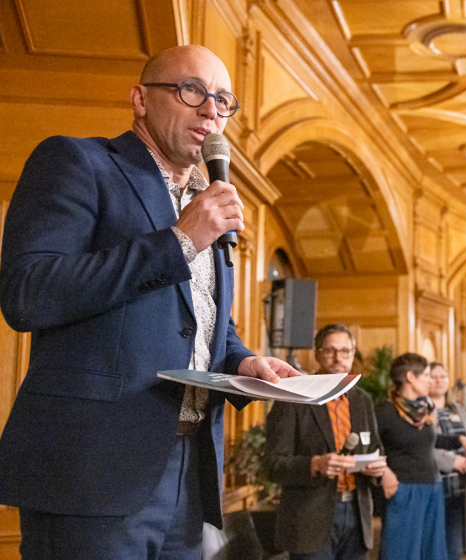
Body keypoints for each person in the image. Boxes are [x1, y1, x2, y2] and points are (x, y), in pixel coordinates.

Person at [0, 45, 300, 560]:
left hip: (189, 467)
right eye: (192, 91)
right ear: (140, 99)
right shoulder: (78, 161)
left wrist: (243, 360)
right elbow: (29, 292)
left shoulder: (203, 202)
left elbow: (203, 318)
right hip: (93, 471)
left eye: (223, 100)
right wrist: (180, 241)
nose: (211, 110)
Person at [265, 324, 388, 560]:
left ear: (353, 355)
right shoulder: (294, 397)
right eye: (330, 351)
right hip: (310, 519)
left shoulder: (363, 400)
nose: (338, 358)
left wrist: (377, 467)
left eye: (345, 351)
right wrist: (314, 464)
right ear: (317, 354)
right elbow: (272, 465)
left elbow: (375, 449)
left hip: (356, 516)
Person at [376, 353, 466, 560]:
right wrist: (384, 471)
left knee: (433, 554)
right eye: (426, 375)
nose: (431, 380)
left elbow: (428, 441)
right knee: (401, 554)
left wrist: (460, 440)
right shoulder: (385, 412)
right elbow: (368, 445)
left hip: (432, 488)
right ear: (410, 377)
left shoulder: (422, 410)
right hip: (404, 490)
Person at [429, 362, 466, 560]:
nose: (439, 380)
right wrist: (452, 461)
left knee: (454, 546)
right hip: (434, 484)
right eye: (434, 376)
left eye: (443, 376)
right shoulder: (421, 410)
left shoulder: (457, 409)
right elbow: (424, 446)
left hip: (459, 487)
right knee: (434, 546)